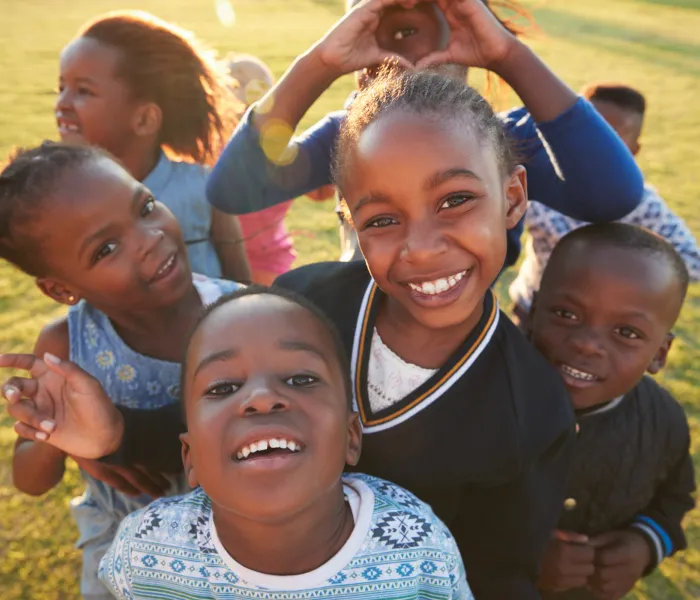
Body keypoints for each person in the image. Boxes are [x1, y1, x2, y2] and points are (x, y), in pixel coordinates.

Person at [4, 71, 578, 600]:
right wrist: (117, 433)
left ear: (512, 197)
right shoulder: (308, 301)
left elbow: (502, 571)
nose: (422, 247)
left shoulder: (533, 410)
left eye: (455, 200)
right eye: (382, 219)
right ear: (352, 222)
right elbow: (222, 424)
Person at [92, 286, 472, 599]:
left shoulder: (419, 548)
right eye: (223, 386)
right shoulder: (145, 551)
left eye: (301, 379)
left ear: (351, 438)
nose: (261, 397)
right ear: (189, 458)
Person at [205, 0, 643, 268]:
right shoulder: (350, 137)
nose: (406, 28)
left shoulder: (504, 141)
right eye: (381, 13)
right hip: (359, 341)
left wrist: (508, 55)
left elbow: (613, 195)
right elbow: (233, 191)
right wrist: (320, 62)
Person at [0, 142, 239, 599]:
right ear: (61, 288)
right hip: (122, 553)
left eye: (145, 206)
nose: (149, 237)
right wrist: (55, 435)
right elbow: (29, 481)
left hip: (235, 543)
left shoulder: (244, 315)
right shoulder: (65, 349)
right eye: (106, 247)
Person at [530, 223, 695, 600]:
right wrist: (516, 554)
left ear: (660, 354)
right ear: (535, 308)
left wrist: (644, 544)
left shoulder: (664, 423)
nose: (587, 344)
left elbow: (674, 499)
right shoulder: (481, 401)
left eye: (627, 332)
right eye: (566, 314)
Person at [55, 10, 250, 280]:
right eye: (61, 87)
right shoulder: (63, 200)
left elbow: (244, 287)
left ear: (145, 119)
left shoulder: (204, 188)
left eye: (84, 91)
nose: (62, 103)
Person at [509, 82, 700, 330]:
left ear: (634, 150)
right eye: (591, 133)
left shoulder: (644, 207)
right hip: (532, 309)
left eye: (613, 137)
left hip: (602, 328)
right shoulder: (540, 184)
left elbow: (692, 262)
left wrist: (621, 269)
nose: (597, 147)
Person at [223, 54, 297, 284]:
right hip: (269, 262)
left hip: (227, 262)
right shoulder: (281, 148)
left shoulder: (207, 152)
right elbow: (320, 192)